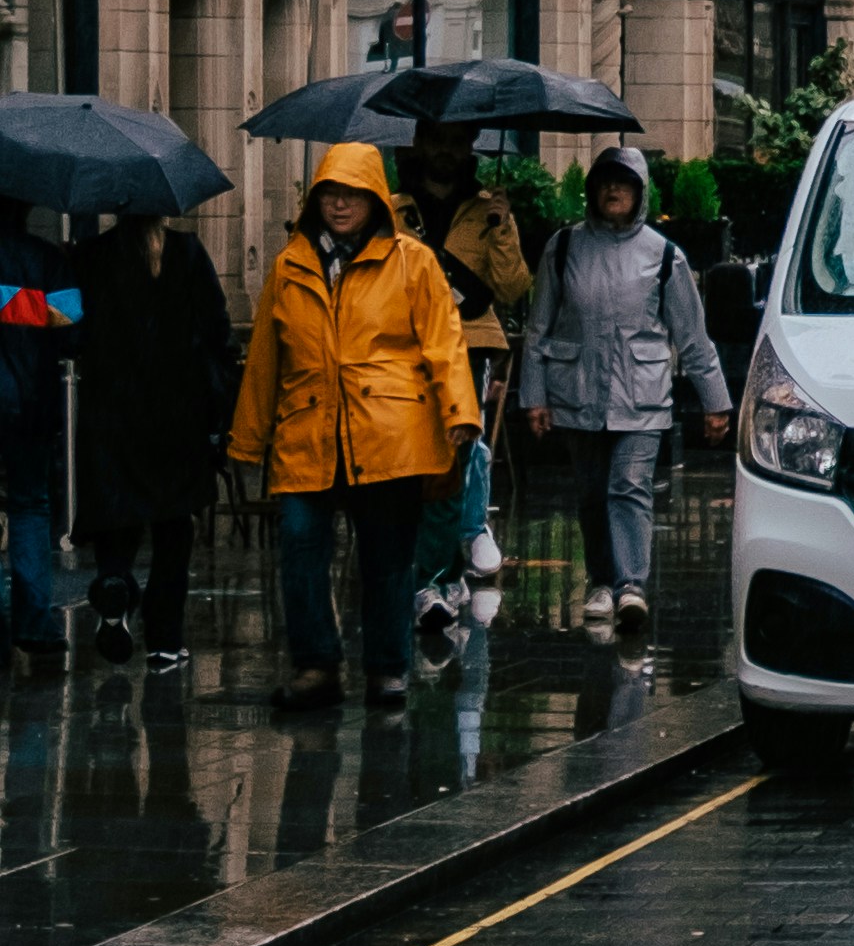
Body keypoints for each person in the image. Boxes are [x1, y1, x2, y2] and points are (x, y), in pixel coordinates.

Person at [229, 152, 482, 710]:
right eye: (329, 193)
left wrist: (460, 414)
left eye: (352, 193)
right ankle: (316, 665)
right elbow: (265, 360)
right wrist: (247, 440)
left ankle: (387, 669)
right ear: (313, 199)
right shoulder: (289, 265)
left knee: (388, 558)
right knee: (299, 548)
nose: (340, 204)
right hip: (307, 431)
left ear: (374, 199)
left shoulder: (412, 262)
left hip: (389, 432)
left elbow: (444, 341)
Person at [520, 150, 729, 646]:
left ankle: (631, 584)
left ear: (640, 192)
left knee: (629, 486)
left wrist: (715, 401)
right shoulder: (564, 247)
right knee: (592, 494)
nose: (614, 191)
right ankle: (600, 582)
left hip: (643, 396)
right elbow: (538, 327)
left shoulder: (664, 255)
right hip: (577, 392)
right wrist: (534, 396)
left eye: (625, 183)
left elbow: (693, 337)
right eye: (605, 183)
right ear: (593, 190)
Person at [80, 202, 237, 669]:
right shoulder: (187, 253)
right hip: (177, 415)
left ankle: (115, 582)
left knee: (118, 515)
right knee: (173, 527)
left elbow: (71, 329)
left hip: (111, 414)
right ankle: (165, 638)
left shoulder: (91, 256)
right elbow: (217, 330)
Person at [422, 153, 532, 614]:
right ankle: (436, 555)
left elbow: (513, 287)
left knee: (465, 445)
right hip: (413, 344)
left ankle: (467, 531)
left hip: (470, 341)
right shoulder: (397, 207)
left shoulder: (487, 209)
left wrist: (503, 228)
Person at [0, 209, 81, 674]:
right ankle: (34, 626)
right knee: (30, 508)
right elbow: (72, 325)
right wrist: (25, 306)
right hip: (32, 403)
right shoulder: (46, 258)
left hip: (24, 401)